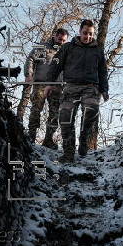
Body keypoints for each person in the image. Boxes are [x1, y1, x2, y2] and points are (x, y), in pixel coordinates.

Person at [44, 20, 109, 163]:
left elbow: (102, 71)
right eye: (85, 33)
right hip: (70, 87)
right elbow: (56, 66)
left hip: (91, 87)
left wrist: (104, 89)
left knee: (92, 110)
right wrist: (49, 84)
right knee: (65, 118)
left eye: (91, 34)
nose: (88, 36)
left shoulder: (97, 50)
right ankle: (68, 153)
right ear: (80, 32)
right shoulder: (68, 47)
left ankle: (84, 137)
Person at [24, 28, 69, 149]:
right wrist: (28, 74)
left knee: (54, 113)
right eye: (60, 39)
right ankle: (31, 137)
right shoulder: (43, 47)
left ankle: (49, 140)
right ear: (55, 36)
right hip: (41, 83)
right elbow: (31, 59)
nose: (61, 42)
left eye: (64, 40)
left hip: (57, 86)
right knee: (36, 109)